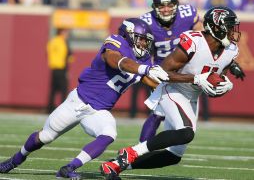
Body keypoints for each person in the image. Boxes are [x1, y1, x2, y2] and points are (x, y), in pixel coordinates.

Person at [0, 18, 169, 179]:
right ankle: (17, 159)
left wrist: (171, 85)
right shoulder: (116, 41)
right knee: (45, 137)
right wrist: (143, 69)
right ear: (129, 34)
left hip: (98, 111)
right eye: (140, 39)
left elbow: (149, 80)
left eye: (146, 41)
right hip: (78, 101)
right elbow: (115, 60)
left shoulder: (143, 58)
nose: (143, 44)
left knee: (109, 134)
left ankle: (69, 168)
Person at [100, 6, 242, 179]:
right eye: (229, 27)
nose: (233, 32)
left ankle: (115, 165)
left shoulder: (230, 51)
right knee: (186, 133)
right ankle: (131, 152)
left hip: (192, 97)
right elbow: (163, 73)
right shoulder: (194, 42)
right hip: (172, 90)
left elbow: (211, 87)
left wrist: (223, 88)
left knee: (173, 156)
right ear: (216, 27)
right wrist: (196, 79)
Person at [138, 0, 203, 143]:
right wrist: (150, 75)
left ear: (176, 5)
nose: (166, 9)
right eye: (161, 6)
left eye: (169, 5)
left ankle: (156, 148)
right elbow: (143, 55)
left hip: (186, 72)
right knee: (158, 113)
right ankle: (139, 150)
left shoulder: (188, 14)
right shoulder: (146, 22)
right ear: (154, 6)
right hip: (163, 73)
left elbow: (202, 40)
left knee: (185, 120)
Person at [47, 28, 72, 114]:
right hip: (61, 68)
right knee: (64, 89)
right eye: (66, 32)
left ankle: (49, 107)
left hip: (54, 68)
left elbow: (48, 52)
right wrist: (66, 70)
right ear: (61, 32)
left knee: (53, 89)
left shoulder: (53, 41)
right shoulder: (62, 42)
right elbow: (66, 56)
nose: (67, 34)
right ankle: (63, 109)